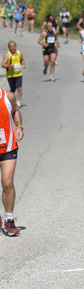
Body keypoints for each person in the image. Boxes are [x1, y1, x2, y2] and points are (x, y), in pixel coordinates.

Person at [0, 88, 24, 236]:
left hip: (8, 147)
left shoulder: (7, 96)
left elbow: (15, 111)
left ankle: (9, 220)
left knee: (7, 182)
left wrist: (19, 126)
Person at [2, 41, 26, 108]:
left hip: (18, 74)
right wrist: (9, 65)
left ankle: (18, 102)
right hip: (10, 75)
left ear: (16, 46)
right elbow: (3, 65)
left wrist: (23, 65)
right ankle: (8, 101)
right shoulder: (7, 55)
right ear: (9, 47)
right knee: (12, 90)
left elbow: (22, 60)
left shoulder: (19, 53)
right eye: (11, 46)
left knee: (19, 88)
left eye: (13, 46)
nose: (12, 48)